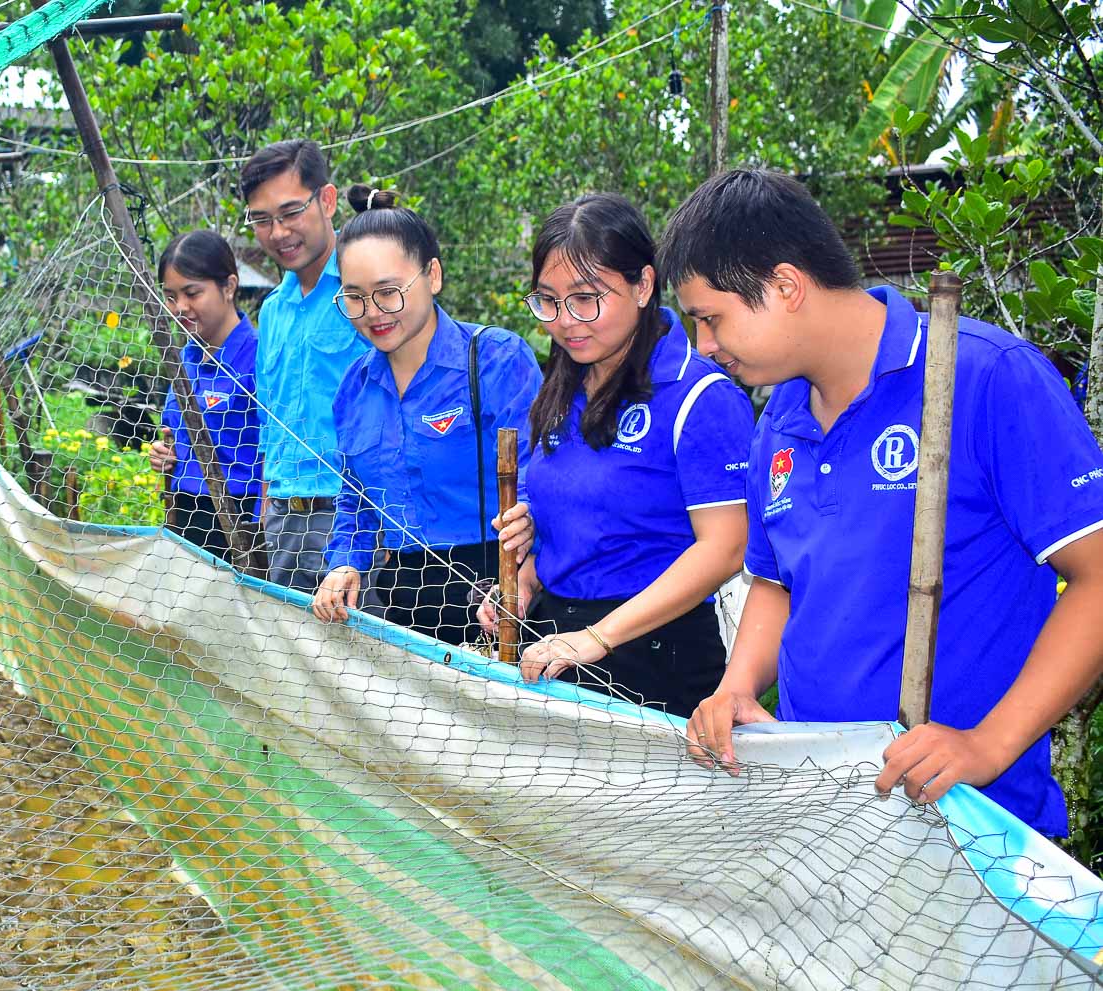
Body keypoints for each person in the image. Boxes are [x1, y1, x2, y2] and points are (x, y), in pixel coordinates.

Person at [662, 168, 1103, 838]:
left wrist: (986, 743)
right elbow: (778, 583)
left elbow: (1097, 578)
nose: (705, 346)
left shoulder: (982, 379)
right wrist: (736, 685)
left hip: (971, 828)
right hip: (821, 814)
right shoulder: (779, 417)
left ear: (785, 286)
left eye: (711, 319)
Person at [483, 193, 753, 718]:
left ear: (643, 285)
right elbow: (580, 529)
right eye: (547, 301)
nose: (566, 322)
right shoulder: (562, 389)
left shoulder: (700, 396)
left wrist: (598, 638)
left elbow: (726, 548)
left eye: (587, 298)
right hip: (558, 643)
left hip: (653, 655)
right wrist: (523, 583)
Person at [311, 187, 539, 646]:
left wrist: (528, 558)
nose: (373, 312)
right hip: (401, 595)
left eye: (389, 292)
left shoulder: (494, 361)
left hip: (498, 587)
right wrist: (344, 562)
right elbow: (355, 496)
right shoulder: (354, 390)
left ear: (432, 275)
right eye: (354, 297)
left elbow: (544, 471)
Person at [239, 140, 366, 593]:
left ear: (326, 201)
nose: (278, 232)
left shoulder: (364, 292)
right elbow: (269, 415)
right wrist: (267, 503)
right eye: (261, 219)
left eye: (291, 212)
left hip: (351, 514)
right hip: (284, 515)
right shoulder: (273, 310)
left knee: (357, 657)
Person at [145, 231, 261, 561]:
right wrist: (164, 454)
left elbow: (271, 451)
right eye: (170, 296)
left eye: (192, 293)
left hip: (237, 520)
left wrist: (261, 525)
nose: (180, 307)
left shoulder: (256, 359)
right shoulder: (185, 359)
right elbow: (174, 434)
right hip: (185, 509)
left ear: (229, 286)